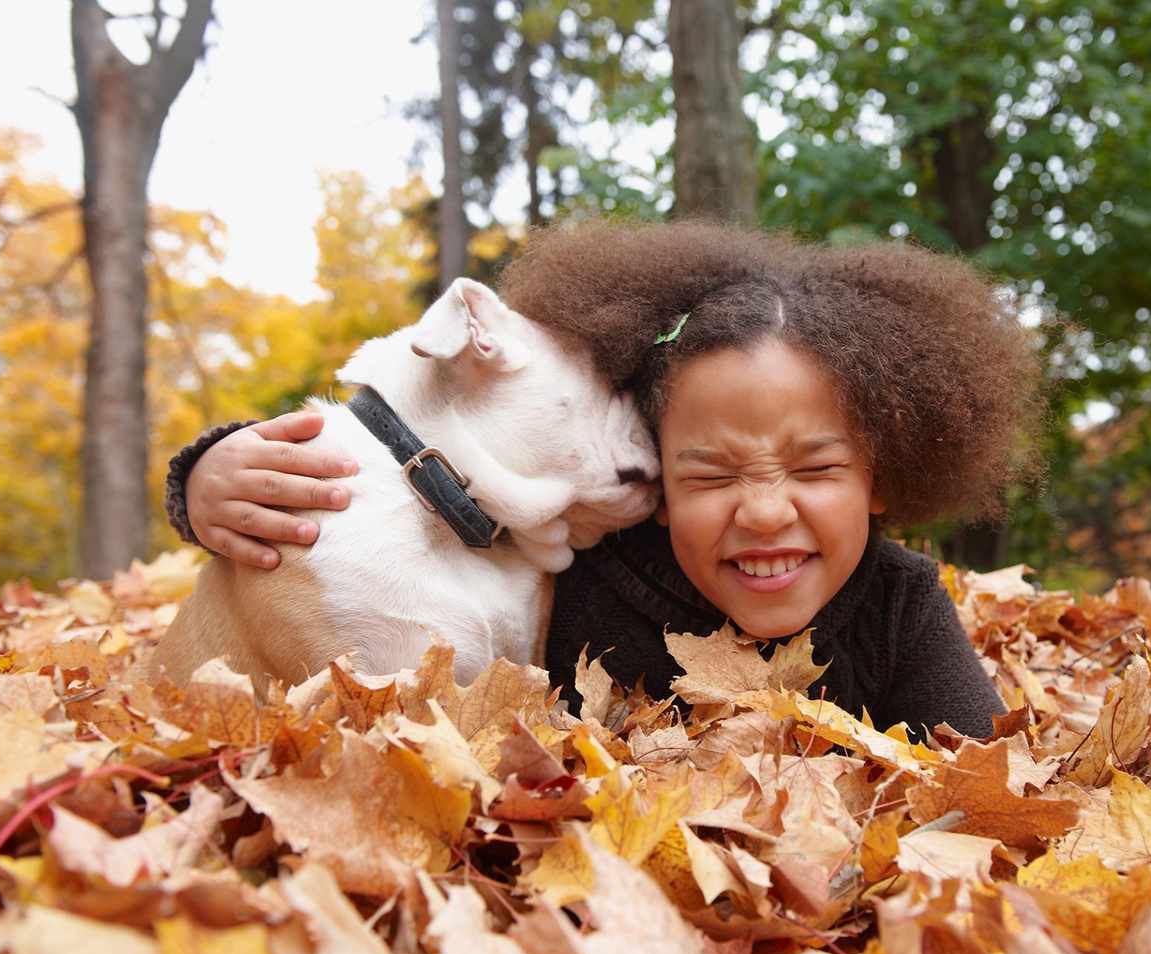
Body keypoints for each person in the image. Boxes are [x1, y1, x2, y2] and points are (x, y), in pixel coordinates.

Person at [162, 219, 1043, 739]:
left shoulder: (900, 606)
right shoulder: (585, 569)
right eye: (710, 475)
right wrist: (207, 476)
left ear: (884, 475)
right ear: (650, 482)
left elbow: (998, 795)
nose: (767, 509)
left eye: (816, 468)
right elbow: (425, 464)